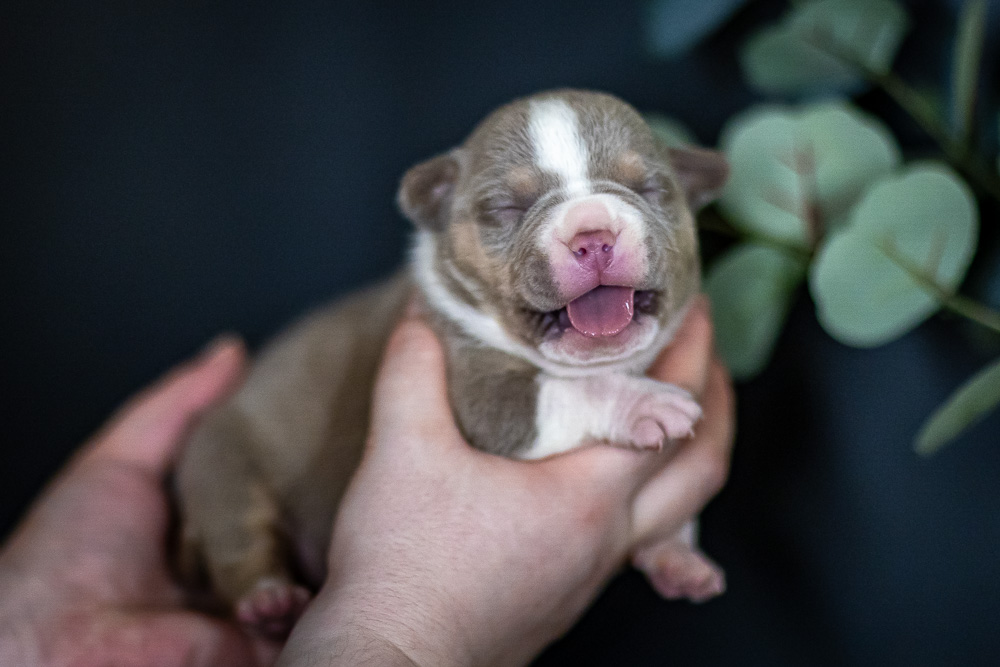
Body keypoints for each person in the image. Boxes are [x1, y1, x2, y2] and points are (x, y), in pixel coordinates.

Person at [0, 297, 733, 666]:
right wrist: (403, 633)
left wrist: (30, 636)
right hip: (291, 494)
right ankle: (254, 575)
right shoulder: (462, 307)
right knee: (229, 478)